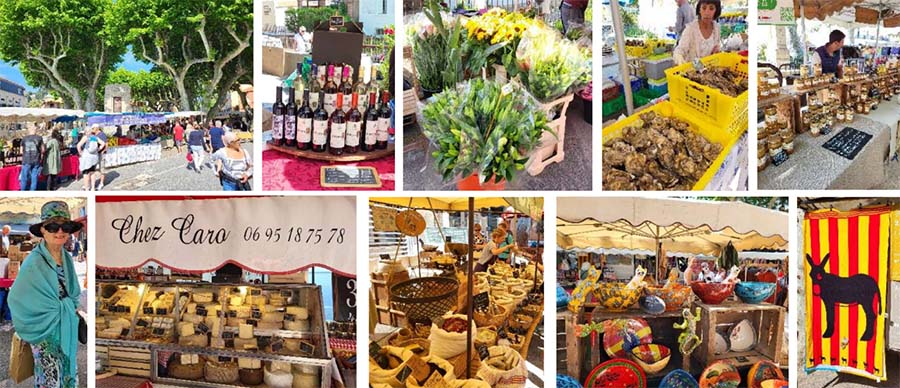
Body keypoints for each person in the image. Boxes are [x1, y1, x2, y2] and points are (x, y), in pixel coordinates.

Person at [8, 201, 83, 388]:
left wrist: (68, 307)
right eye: (52, 226)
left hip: (66, 325)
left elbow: (72, 291)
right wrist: (47, 313)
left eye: (65, 226)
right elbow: (16, 299)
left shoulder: (66, 257)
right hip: (45, 333)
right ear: (43, 230)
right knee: (50, 378)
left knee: (66, 370)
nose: (60, 231)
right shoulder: (34, 261)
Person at [673, 0, 721, 65]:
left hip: (709, 70)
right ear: (699, 10)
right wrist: (680, 59)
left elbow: (716, 46)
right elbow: (679, 51)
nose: (707, 12)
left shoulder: (716, 28)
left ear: (716, 11)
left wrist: (716, 50)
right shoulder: (691, 29)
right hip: (692, 71)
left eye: (711, 8)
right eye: (704, 8)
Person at [77, 124, 103, 191]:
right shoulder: (95, 137)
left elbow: (78, 145)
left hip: (87, 158)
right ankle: (93, 188)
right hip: (94, 158)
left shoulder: (86, 137)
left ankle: (86, 188)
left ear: (85, 132)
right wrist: (98, 149)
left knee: (86, 174)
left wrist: (80, 153)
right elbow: (103, 143)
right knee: (92, 173)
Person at [19, 126, 44, 191]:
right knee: (34, 177)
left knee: (24, 177)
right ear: (35, 130)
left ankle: (23, 191)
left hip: (26, 160)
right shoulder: (39, 138)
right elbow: (43, 150)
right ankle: (32, 191)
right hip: (36, 159)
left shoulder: (24, 138)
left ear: (29, 130)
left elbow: (21, 151)